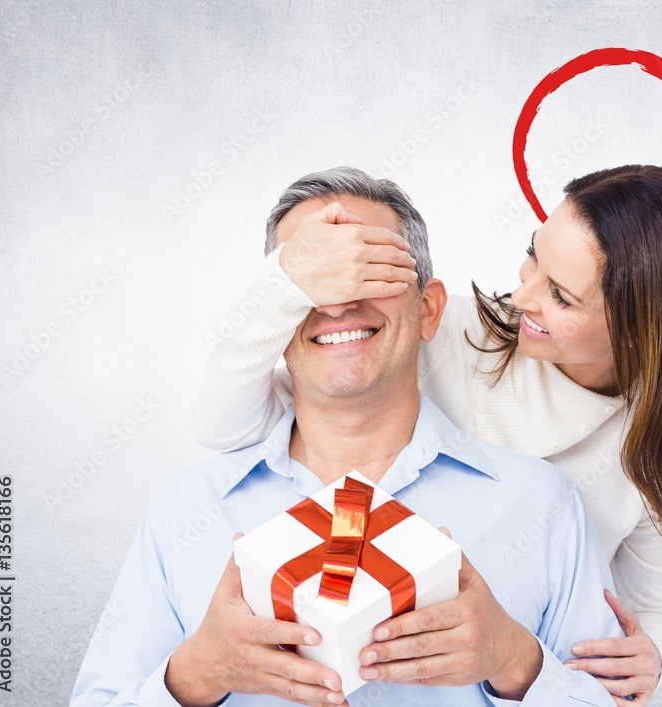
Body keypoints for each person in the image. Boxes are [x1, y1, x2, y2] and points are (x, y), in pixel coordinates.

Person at [192, 164, 662, 704]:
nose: (520, 295)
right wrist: (288, 280)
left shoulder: (657, 463)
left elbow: (643, 610)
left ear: (641, 331)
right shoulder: (446, 332)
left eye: (561, 296)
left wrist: (649, 663)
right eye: (533, 258)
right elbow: (229, 424)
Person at [71, 168, 625, 707]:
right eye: (309, 280)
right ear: (275, 316)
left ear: (428, 309)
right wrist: (194, 675)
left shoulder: (544, 507)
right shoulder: (183, 512)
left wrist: (516, 664)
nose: (336, 303)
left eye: (370, 271)